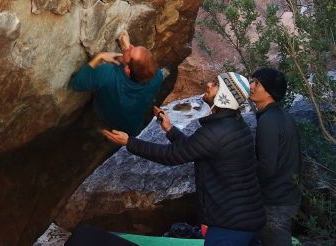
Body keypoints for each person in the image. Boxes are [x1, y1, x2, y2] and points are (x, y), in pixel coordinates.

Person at [102, 72, 265, 246]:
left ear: (224, 95)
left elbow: (171, 155)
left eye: (216, 84)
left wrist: (129, 142)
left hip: (230, 226)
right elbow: (192, 148)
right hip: (245, 218)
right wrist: (169, 128)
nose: (208, 85)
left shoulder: (216, 132)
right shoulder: (234, 125)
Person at [70, 31, 163, 136]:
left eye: (132, 49)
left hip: (107, 118)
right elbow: (138, 67)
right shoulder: (158, 76)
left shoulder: (107, 74)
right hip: (133, 125)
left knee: (95, 124)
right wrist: (127, 50)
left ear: (128, 70)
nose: (131, 45)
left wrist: (99, 56)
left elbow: (76, 84)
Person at [249, 68, 301, 246]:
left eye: (257, 83)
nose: (251, 86)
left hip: (275, 202)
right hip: (285, 197)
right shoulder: (280, 116)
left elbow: (267, 167)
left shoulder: (269, 121)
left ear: (269, 90)